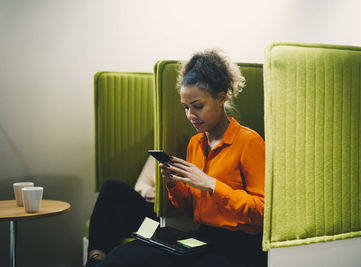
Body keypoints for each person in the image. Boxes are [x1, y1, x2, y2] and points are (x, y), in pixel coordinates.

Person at [97, 49, 266, 267]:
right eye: (186, 107)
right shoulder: (196, 144)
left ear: (221, 99)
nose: (190, 115)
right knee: (128, 253)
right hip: (203, 237)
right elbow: (189, 209)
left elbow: (262, 212)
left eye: (198, 106)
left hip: (238, 246)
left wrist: (211, 184)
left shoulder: (249, 142)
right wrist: (173, 184)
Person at [85, 156, 157, 267]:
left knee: (112, 222)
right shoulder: (160, 149)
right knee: (112, 187)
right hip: (147, 207)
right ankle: (96, 258)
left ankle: (99, 260)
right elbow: (141, 184)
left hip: (161, 218)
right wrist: (148, 190)